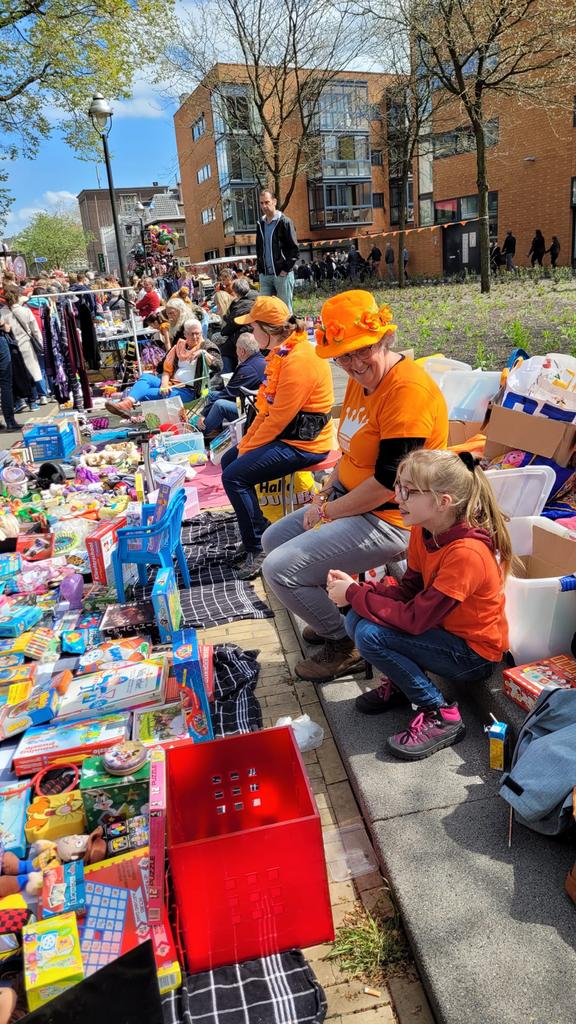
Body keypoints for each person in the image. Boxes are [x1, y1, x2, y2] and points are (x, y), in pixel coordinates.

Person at [261, 290, 449, 683]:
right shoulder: (361, 380)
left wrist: (326, 513)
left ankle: (342, 641)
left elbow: (388, 484)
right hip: (353, 502)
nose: (352, 362)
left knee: (280, 568)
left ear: (383, 339)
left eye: (360, 350)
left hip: (392, 519)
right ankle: (336, 613)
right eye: (342, 355)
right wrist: (327, 490)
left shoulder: (406, 391)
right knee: (272, 540)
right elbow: (350, 449)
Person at [327, 449, 510, 760]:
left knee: (371, 635)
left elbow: (415, 619)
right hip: (443, 635)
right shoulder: (424, 529)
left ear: (442, 502)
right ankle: (403, 681)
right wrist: (360, 590)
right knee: (357, 620)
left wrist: (355, 595)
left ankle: (440, 713)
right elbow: (410, 588)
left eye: (407, 491)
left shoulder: (466, 554)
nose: (398, 498)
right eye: (398, 488)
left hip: (474, 655)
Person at [221, 295, 334, 581]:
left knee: (234, 476)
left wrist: (247, 448)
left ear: (268, 330)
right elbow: (264, 411)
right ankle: (256, 532)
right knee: (229, 461)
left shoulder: (299, 360)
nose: (249, 333)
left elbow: (277, 419)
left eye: (253, 327)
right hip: (286, 435)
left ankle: (258, 544)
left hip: (306, 443)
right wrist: (245, 445)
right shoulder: (281, 353)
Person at [105, 318, 223, 417]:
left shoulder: (207, 346)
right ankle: (127, 403)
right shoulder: (179, 346)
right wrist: (164, 384)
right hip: (173, 383)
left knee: (146, 392)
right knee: (146, 377)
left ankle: (127, 405)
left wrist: (203, 353)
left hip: (190, 391)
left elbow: (218, 366)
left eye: (198, 333)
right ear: (185, 334)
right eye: (191, 334)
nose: (195, 337)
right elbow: (166, 370)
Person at [198, 333, 266, 436]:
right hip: (249, 402)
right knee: (212, 395)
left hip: (251, 413)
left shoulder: (248, 369)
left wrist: (203, 414)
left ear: (242, 351)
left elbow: (227, 393)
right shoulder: (260, 360)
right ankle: (215, 427)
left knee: (219, 404)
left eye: (237, 349)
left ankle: (201, 431)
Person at [0, 283, 43, 411]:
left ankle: (20, 400)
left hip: (11, 347)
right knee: (31, 373)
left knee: (16, 375)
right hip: (27, 346)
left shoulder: (1, 313)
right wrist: (40, 345)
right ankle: (33, 401)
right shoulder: (25, 311)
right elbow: (35, 330)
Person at [256, 190, 299, 311]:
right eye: (261, 203)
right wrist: (260, 270)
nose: (264, 206)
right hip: (265, 275)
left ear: (274, 202)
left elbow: (294, 249)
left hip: (282, 275)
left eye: (267, 202)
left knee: (284, 311)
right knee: (264, 311)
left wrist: (285, 269)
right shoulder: (260, 224)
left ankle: (289, 330)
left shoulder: (285, 222)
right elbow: (259, 248)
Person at [213, 277, 258, 373]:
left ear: (235, 292)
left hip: (248, 334)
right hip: (251, 331)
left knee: (224, 348)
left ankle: (225, 375)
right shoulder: (256, 297)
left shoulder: (241, 305)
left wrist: (223, 331)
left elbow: (231, 325)